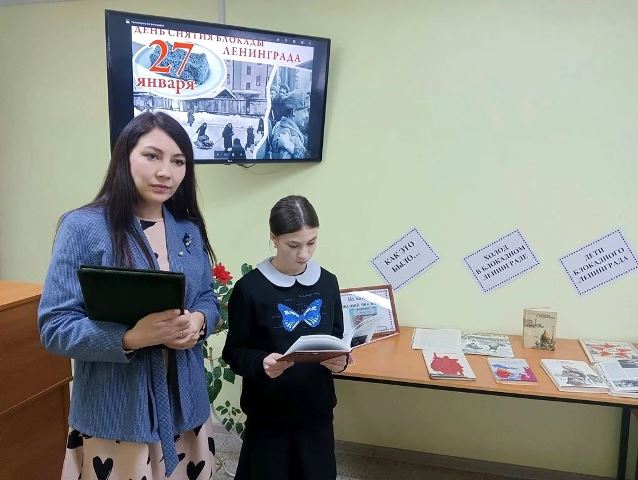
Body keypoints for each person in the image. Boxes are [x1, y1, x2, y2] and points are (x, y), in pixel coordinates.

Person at [38, 111, 219, 480]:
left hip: (185, 409)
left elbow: (207, 299)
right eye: (152, 156)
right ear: (124, 157)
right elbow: (55, 326)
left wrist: (199, 321)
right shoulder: (83, 227)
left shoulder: (187, 229)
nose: (166, 172)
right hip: (116, 413)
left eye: (178, 161)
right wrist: (132, 338)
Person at [222, 195, 348, 480]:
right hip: (269, 412)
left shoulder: (327, 282)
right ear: (274, 238)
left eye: (311, 242)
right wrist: (261, 363)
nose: (304, 254)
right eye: (294, 245)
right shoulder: (249, 288)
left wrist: (340, 362)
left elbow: (337, 337)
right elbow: (235, 351)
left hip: (316, 408)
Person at [270, 89, 310, 159]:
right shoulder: (288, 134)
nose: (307, 115)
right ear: (294, 112)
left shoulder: (280, 124)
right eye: (305, 111)